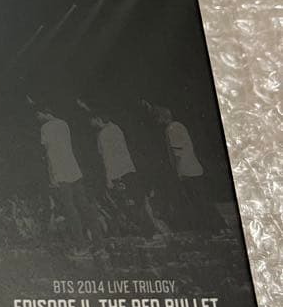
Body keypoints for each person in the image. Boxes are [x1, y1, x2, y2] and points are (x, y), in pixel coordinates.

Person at [33, 102, 105, 256]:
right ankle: (99, 244)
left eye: (37, 115)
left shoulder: (45, 128)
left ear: (43, 113)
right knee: (84, 206)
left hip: (60, 173)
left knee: (70, 209)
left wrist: (52, 176)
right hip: (74, 170)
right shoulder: (64, 123)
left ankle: (81, 246)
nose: (37, 118)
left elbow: (49, 154)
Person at [77, 100, 155, 238]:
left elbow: (106, 159)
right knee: (138, 200)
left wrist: (108, 179)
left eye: (91, 121)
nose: (90, 124)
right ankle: (149, 229)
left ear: (97, 119)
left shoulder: (102, 135)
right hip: (129, 169)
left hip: (117, 174)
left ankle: (141, 231)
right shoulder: (116, 128)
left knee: (126, 204)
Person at [142, 101, 220, 233]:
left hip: (186, 170)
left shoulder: (171, 129)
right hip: (194, 168)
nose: (156, 122)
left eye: (157, 118)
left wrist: (177, 172)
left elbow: (177, 153)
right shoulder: (179, 126)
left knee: (197, 200)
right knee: (202, 199)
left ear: (161, 118)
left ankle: (211, 227)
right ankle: (216, 226)